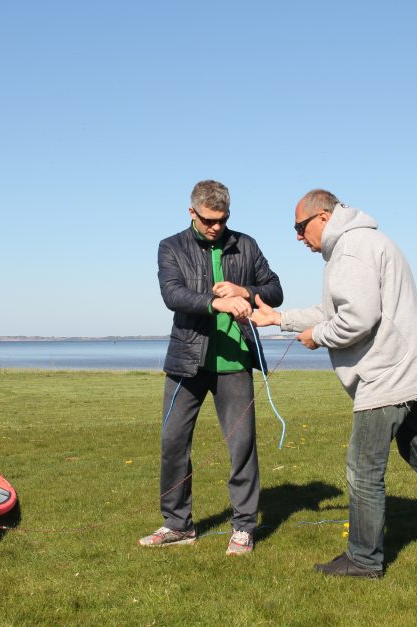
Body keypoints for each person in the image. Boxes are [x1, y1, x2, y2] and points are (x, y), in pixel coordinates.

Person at [250, 189, 417, 577]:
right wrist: (279, 318)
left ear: (322, 217)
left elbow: (356, 319)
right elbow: (333, 310)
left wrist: (317, 336)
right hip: (408, 368)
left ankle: (363, 558)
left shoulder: (352, 249)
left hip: (387, 374)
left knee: (363, 469)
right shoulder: (363, 241)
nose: (297, 237)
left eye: (299, 227)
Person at [139, 180, 284, 556]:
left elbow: (275, 289)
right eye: (208, 220)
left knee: (242, 446)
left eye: (222, 219)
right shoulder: (170, 247)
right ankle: (177, 524)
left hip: (235, 361)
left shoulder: (246, 245)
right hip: (186, 362)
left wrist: (243, 291)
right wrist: (213, 303)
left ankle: (243, 527)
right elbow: (172, 294)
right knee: (173, 443)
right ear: (192, 213)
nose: (215, 227)